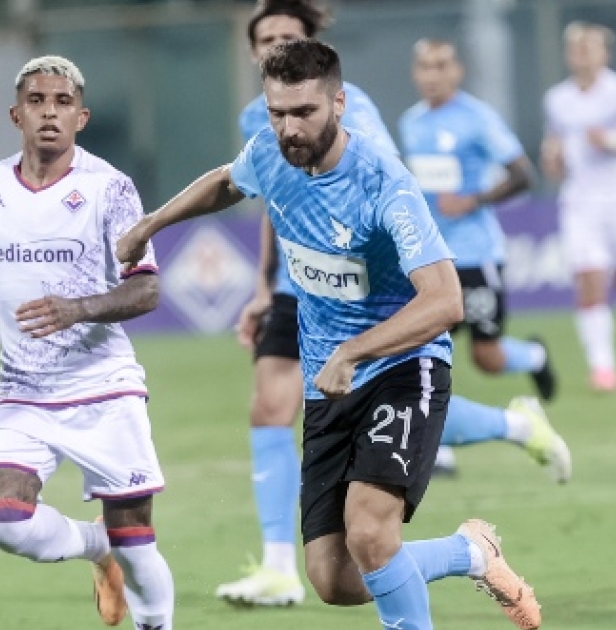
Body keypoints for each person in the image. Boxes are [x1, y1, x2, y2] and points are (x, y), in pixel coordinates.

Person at [119, 40, 544, 630]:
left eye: (304, 112)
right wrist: (151, 223)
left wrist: (354, 350)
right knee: (336, 580)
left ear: (338, 104)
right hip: (330, 384)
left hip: (402, 366)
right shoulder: (270, 153)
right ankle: (470, 553)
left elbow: (445, 301)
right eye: (277, 113)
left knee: (370, 533)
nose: (289, 128)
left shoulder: (383, 183)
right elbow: (227, 182)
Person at [220, 1, 570, 608]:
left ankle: (514, 423)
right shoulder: (263, 119)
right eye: (265, 38)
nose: (275, 45)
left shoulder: (354, 117)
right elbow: (271, 196)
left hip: (376, 293)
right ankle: (286, 562)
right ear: (255, 53)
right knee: (271, 418)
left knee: (373, 518)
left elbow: (375, 186)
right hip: (301, 292)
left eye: (287, 34)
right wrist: (263, 285)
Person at [0, 56, 173, 629]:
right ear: (17, 115)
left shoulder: (109, 188)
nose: (50, 113)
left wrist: (76, 309)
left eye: (63, 102)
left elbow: (147, 289)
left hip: (103, 385)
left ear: (81, 117)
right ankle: (96, 546)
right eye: (37, 101)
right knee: (5, 523)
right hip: (23, 388)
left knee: (137, 545)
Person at [400, 38, 558, 470]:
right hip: (428, 257)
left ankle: (534, 356)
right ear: (415, 73)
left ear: (457, 71)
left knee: (486, 357)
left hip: (474, 254)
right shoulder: (411, 122)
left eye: (441, 65)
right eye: (425, 66)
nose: (432, 75)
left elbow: (523, 174)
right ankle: (437, 448)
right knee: (419, 353)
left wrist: (473, 200)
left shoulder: (477, 118)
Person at [541, 21, 616, 392]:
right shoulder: (557, 99)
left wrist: (613, 140)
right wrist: (553, 160)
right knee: (589, 278)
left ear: (604, 54)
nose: (581, 54)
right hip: (580, 201)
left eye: (589, 47)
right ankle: (602, 367)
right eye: (576, 47)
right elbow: (555, 149)